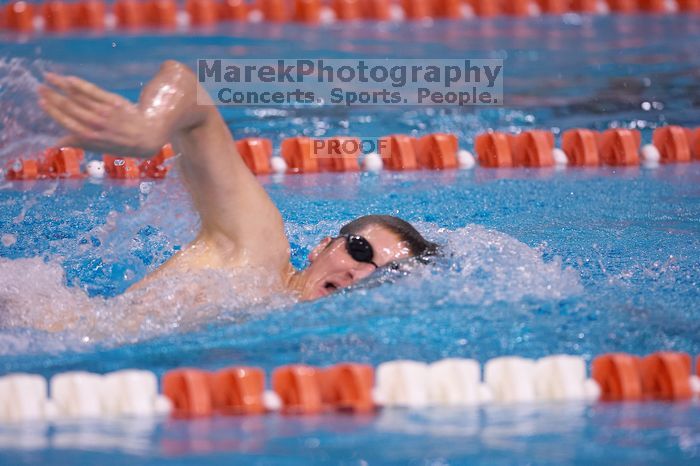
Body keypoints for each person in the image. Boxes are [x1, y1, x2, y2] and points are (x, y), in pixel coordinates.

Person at [37, 60, 437, 302]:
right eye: (360, 250)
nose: (360, 273)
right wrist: (146, 128)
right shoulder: (257, 252)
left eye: (385, 274)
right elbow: (188, 88)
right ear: (320, 247)